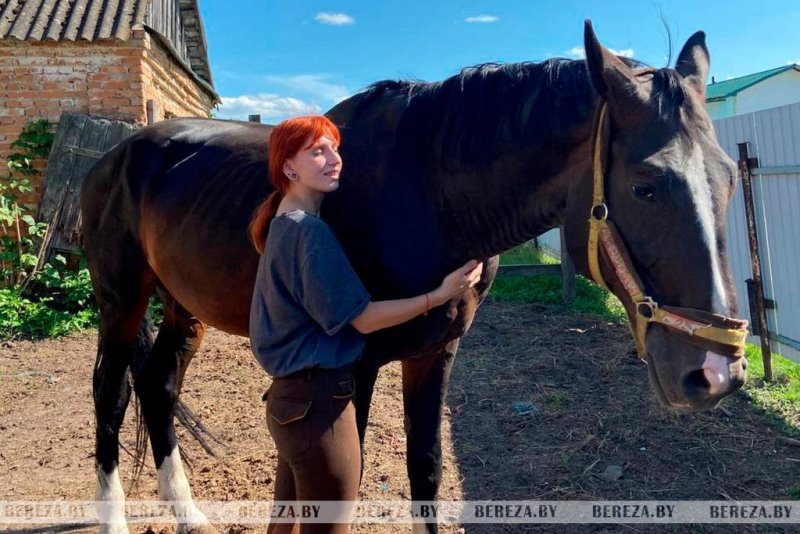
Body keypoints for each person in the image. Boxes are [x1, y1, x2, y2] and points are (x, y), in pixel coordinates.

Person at [248, 115, 483, 534]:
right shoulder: (309, 235)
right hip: (320, 410)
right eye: (317, 151)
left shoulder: (281, 224)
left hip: (290, 406)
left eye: (335, 148)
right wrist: (440, 295)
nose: (334, 159)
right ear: (289, 168)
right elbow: (364, 319)